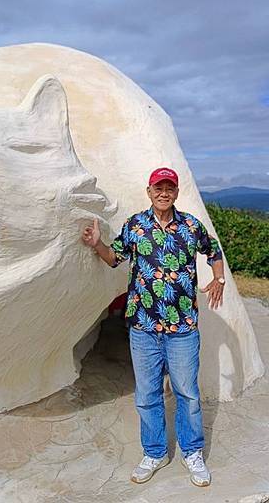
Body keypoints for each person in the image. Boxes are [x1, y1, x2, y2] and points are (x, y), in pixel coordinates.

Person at [81, 167, 225, 487]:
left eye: (169, 188)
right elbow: (114, 257)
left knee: (187, 392)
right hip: (143, 327)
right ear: (149, 191)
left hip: (183, 327)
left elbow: (213, 251)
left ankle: (191, 452)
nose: (163, 193)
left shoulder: (190, 226)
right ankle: (155, 452)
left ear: (176, 192)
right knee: (147, 394)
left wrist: (219, 277)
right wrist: (96, 244)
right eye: (158, 188)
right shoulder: (135, 225)